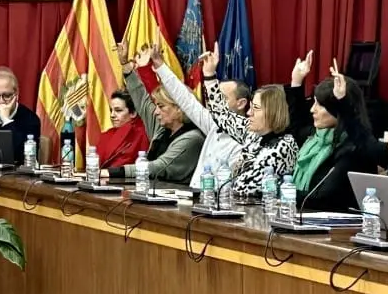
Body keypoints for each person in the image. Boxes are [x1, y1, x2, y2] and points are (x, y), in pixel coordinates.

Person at [285, 56, 382, 214]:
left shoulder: (353, 150)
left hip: (338, 225)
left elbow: (322, 198)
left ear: (338, 111)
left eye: (320, 105)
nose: (312, 109)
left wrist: (283, 193)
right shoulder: (317, 138)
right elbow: (296, 127)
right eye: (314, 102)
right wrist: (296, 83)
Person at [196, 49, 297, 202]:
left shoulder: (283, 146)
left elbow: (244, 187)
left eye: (255, 108)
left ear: (272, 112)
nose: (249, 113)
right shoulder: (254, 134)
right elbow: (222, 115)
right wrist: (209, 75)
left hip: (262, 212)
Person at [149, 56, 251, 190]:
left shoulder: (248, 137)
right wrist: (160, 66)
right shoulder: (213, 124)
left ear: (241, 103)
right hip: (193, 195)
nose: (214, 102)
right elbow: (185, 99)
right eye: (213, 96)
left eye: (221, 98)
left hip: (219, 199)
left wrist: (210, 76)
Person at [109, 47, 203, 185]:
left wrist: (113, 172)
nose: (155, 111)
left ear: (179, 108)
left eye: (161, 106)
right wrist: (125, 64)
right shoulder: (162, 129)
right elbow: (141, 99)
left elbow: (158, 166)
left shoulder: (193, 138)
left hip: (178, 197)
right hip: (153, 192)